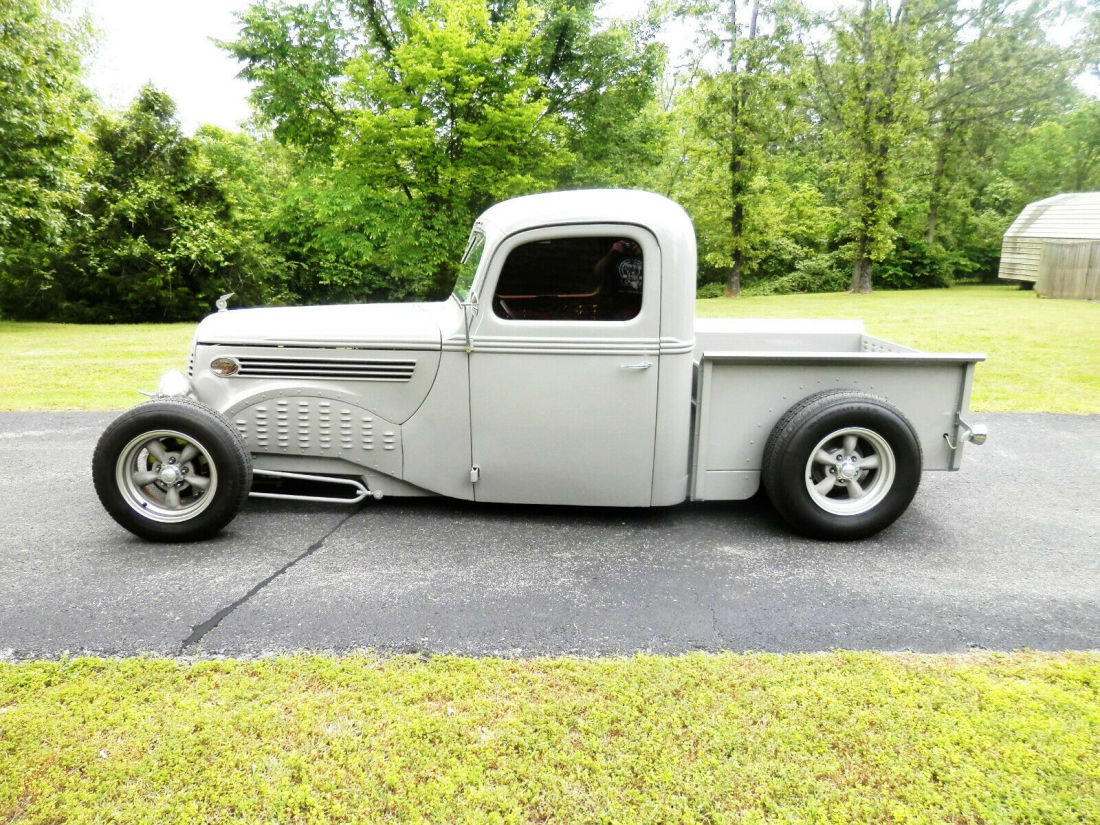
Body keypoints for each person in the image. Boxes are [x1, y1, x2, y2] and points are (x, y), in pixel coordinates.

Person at [594, 239, 642, 318]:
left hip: (642, 307)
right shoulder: (613, 251)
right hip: (616, 309)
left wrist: (645, 254)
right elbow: (598, 274)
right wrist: (612, 253)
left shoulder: (646, 247)